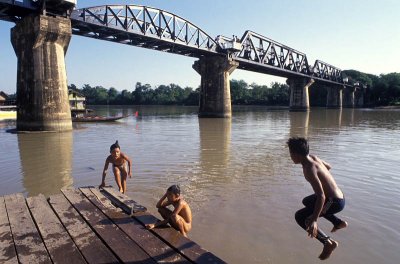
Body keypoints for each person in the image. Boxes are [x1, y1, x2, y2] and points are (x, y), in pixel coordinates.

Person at [287, 137, 348, 260]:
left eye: (291, 154)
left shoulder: (308, 169)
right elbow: (328, 167)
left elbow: (321, 196)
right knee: (307, 201)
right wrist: (325, 181)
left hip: (334, 202)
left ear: (297, 155)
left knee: (301, 217)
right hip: (339, 196)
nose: (290, 157)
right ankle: (338, 222)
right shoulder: (313, 158)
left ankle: (328, 243)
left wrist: (314, 219)